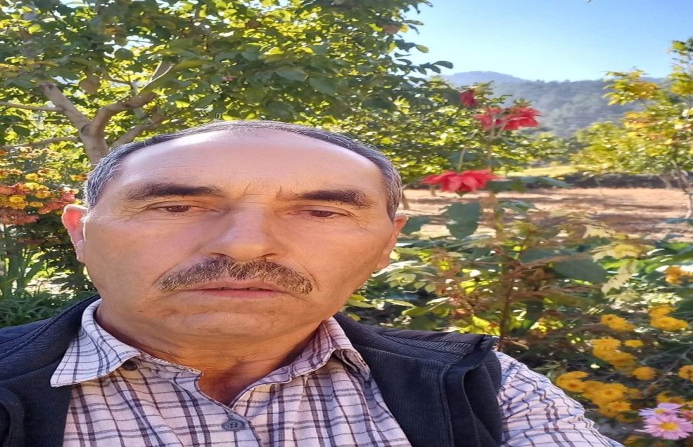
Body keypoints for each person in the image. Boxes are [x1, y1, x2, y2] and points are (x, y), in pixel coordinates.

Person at [0, 121, 622, 446]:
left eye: (321, 212)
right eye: (176, 206)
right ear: (82, 233)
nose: (245, 245)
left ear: (387, 243)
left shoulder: (485, 388)